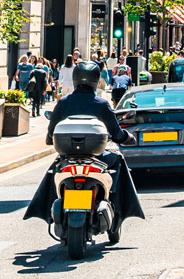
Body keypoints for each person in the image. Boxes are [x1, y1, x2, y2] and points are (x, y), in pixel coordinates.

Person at [23, 62, 146, 227]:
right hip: (97, 157)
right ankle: (117, 211)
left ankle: (45, 208)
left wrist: (49, 138)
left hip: (68, 158)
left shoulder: (63, 103)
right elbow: (117, 134)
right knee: (118, 160)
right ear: (95, 80)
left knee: (53, 171)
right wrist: (127, 138)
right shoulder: (102, 104)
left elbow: (50, 134)